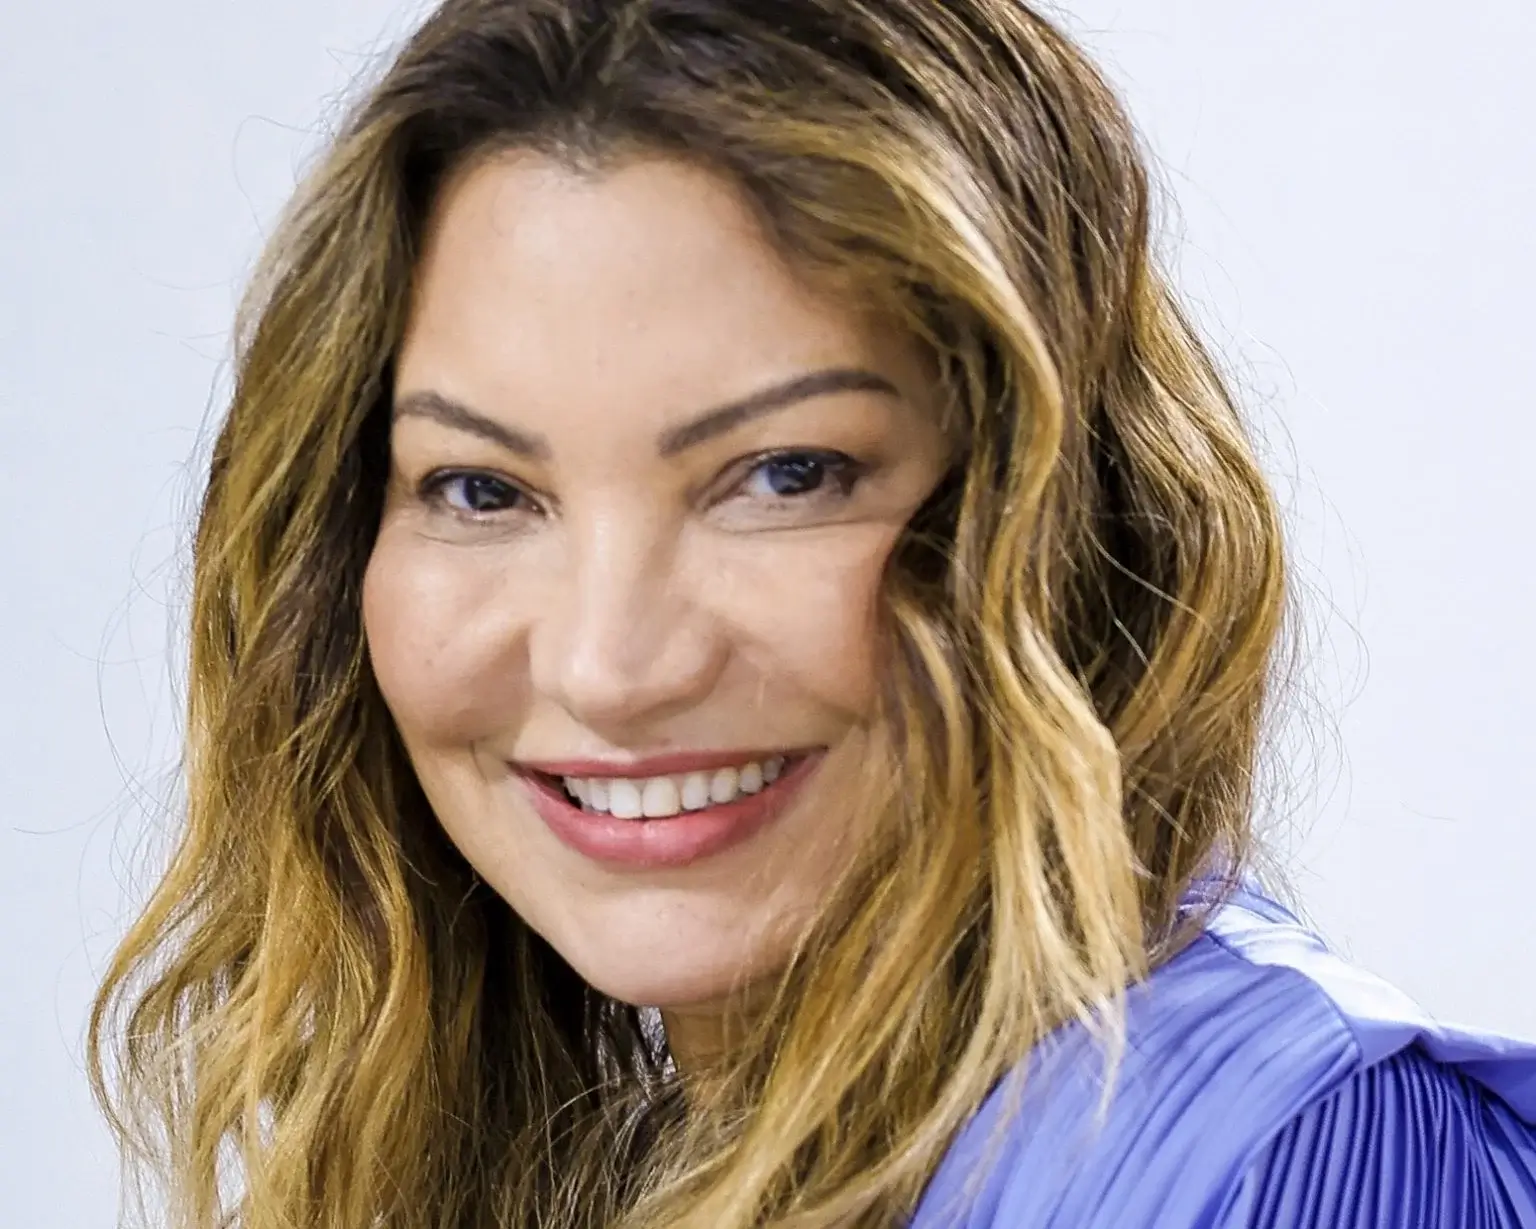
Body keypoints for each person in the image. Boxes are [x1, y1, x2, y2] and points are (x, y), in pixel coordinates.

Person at [88, 1, 1536, 1226]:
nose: (611, 666)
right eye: (482, 490)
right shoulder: (621, 1155)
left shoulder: (1288, 1159)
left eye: (787, 475)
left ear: (1059, 520)